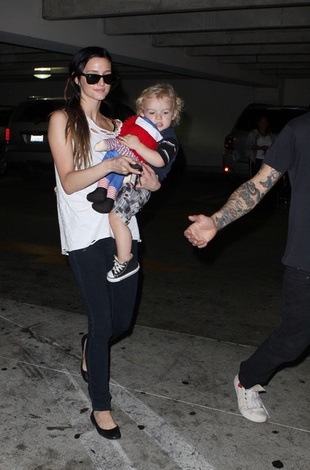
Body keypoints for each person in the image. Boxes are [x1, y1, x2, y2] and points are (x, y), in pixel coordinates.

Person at [48, 46, 160, 439]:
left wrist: (149, 180)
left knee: (121, 323)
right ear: (77, 78)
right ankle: (101, 405)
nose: (100, 83)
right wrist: (110, 164)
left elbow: (140, 173)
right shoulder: (64, 119)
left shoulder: (119, 125)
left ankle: (88, 346)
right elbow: (70, 181)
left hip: (124, 232)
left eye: (107, 76)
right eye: (92, 75)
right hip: (84, 233)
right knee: (101, 324)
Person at [184, 110, 310, 423]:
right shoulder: (300, 131)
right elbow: (258, 186)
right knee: (295, 340)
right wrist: (216, 221)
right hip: (306, 259)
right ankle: (247, 378)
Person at [89, 83, 183, 282]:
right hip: (129, 177)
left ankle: (125, 259)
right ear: (141, 113)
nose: (158, 118)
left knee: (116, 217)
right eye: (152, 112)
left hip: (142, 185)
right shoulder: (140, 128)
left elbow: (159, 160)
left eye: (165, 112)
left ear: (174, 114)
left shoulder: (169, 137)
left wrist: (137, 145)